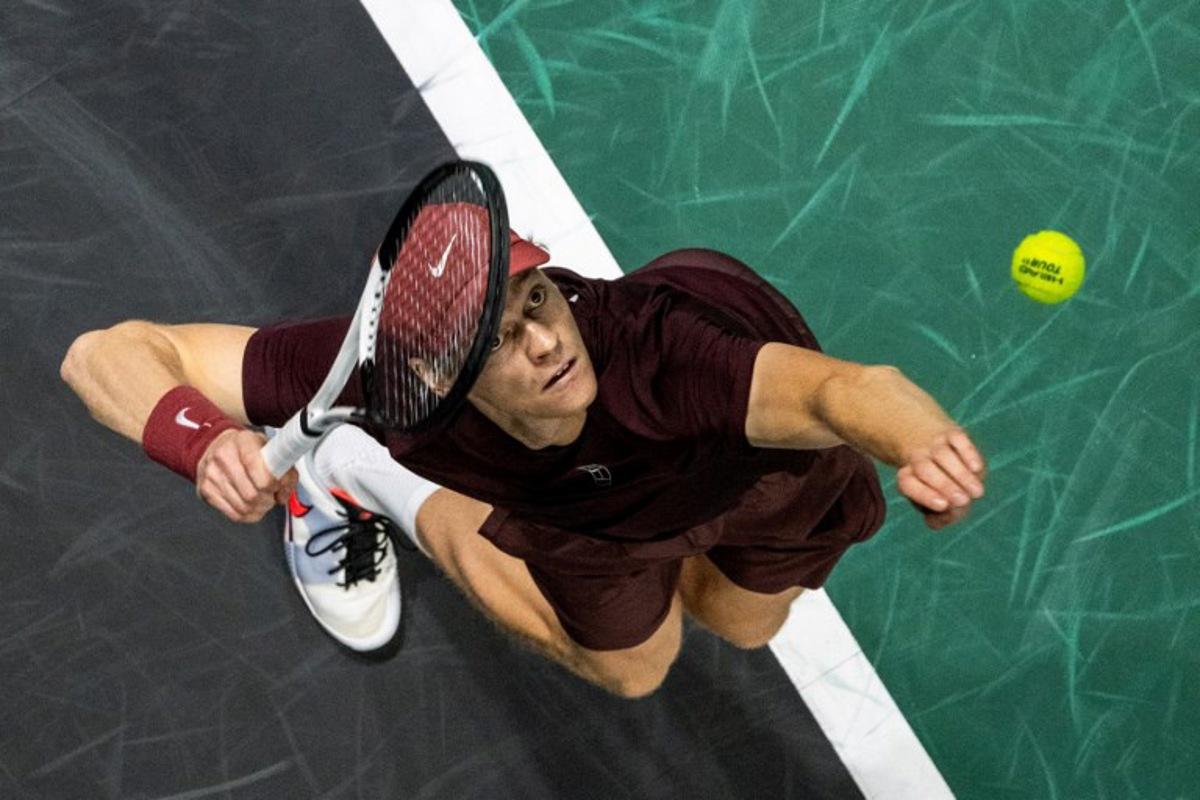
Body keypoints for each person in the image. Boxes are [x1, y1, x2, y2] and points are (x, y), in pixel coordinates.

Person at [61, 232, 987, 698]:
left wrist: (923, 443)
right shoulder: (386, 376)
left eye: (537, 298)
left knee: (739, 626)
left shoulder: (663, 353)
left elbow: (845, 392)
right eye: (498, 338)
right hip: (581, 514)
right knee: (637, 672)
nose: (546, 340)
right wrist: (202, 441)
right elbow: (104, 354)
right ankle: (354, 469)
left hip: (758, 479)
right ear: (428, 374)